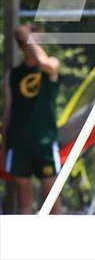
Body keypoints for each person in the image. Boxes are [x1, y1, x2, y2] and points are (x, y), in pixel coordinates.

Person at [1, 24, 62, 214]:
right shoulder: (13, 75)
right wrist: (4, 146)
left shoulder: (51, 66)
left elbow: (45, 63)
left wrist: (30, 37)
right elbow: (7, 112)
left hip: (45, 144)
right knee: (24, 204)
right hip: (18, 145)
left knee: (52, 202)